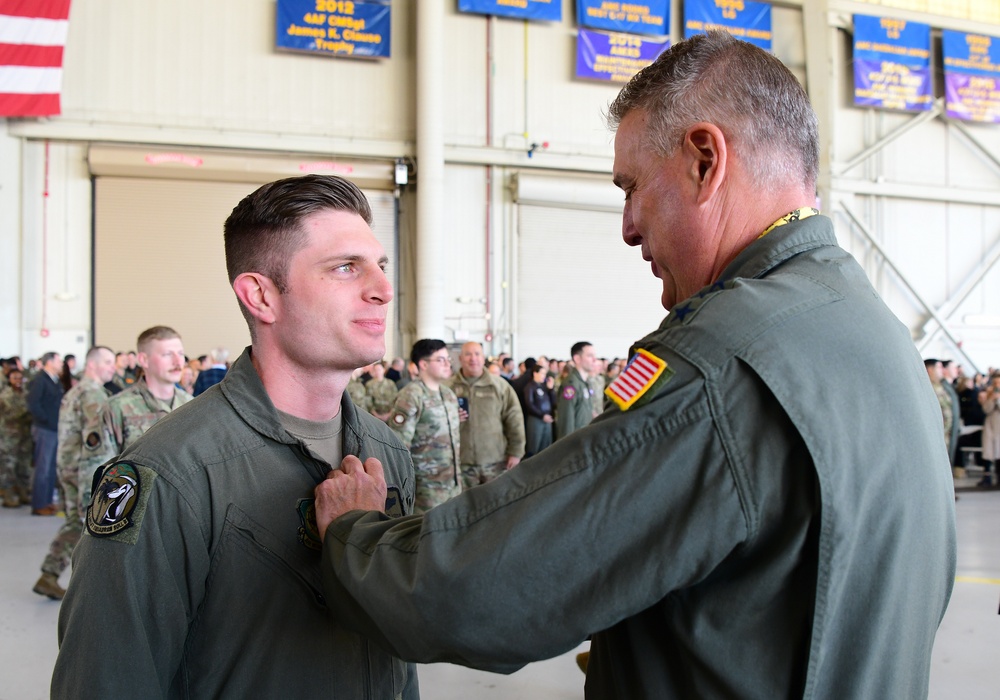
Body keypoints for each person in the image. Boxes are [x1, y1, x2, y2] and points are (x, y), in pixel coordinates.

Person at [312, 32, 955, 699]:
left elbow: (488, 590)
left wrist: (357, 539)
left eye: (633, 187)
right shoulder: (870, 331)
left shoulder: (720, 364)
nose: (627, 225)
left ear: (705, 160)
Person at [53, 174, 418, 698]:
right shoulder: (171, 474)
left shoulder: (386, 454)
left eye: (380, 266)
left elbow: (396, 658)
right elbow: (106, 679)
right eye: (345, 267)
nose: (383, 289)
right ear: (261, 296)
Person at [33, 346, 116, 600]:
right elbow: (96, 442)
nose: (112, 367)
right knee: (92, 527)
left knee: (74, 522)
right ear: (92, 365)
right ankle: (91, 591)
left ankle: (48, 574)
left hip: (69, 465)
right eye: (108, 362)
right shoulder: (92, 394)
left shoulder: (77, 390)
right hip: (85, 469)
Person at [389, 339, 460, 513]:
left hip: (452, 485)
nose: (447, 364)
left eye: (447, 359)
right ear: (424, 364)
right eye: (440, 359)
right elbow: (398, 446)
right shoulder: (412, 395)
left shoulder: (448, 394)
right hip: (425, 490)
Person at [447, 341, 525, 489]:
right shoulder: (447, 387)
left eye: (477, 354)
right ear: (460, 358)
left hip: (495, 461)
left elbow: (514, 419)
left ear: (484, 358)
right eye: (468, 354)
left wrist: (516, 452)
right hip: (460, 463)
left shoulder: (500, 386)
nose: (473, 358)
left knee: (496, 506)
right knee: (463, 507)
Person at [26, 352, 64, 515]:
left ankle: (47, 501)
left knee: (50, 468)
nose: (61, 363)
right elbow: (33, 403)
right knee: (42, 467)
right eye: (58, 360)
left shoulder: (54, 379)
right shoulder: (41, 380)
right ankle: (39, 504)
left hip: (54, 428)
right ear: (49, 362)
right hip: (44, 429)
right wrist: (46, 420)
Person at [0, 367, 34, 507]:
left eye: (20, 378)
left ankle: (23, 492)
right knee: (9, 466)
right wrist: (28, 412)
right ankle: (9, 494)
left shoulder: (26, 394)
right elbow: (12, 414)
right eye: (15, 378)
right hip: (9, 436)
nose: (18, 381)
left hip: (25, 436)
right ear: (9, 379)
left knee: (24, 465)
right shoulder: (5, 396)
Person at [555, 341, 596, 439]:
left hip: (585, 437)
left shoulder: (586, 382)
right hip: (575, 442)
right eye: (590, 356)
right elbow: (566, 420)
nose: (594, 359)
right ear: (577, 358)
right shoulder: (571, 385)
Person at [522, 364, 554, 456]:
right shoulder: (530, 387)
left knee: (546, 446)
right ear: (535, 373)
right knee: (534, 445)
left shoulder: (544, 386)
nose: (544, 376)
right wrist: (541, 415)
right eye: (542, 373)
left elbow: (553, 402)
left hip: (547, 418)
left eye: (545, 374)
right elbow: (529, 404)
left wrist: (551, 389)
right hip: (536, 419)